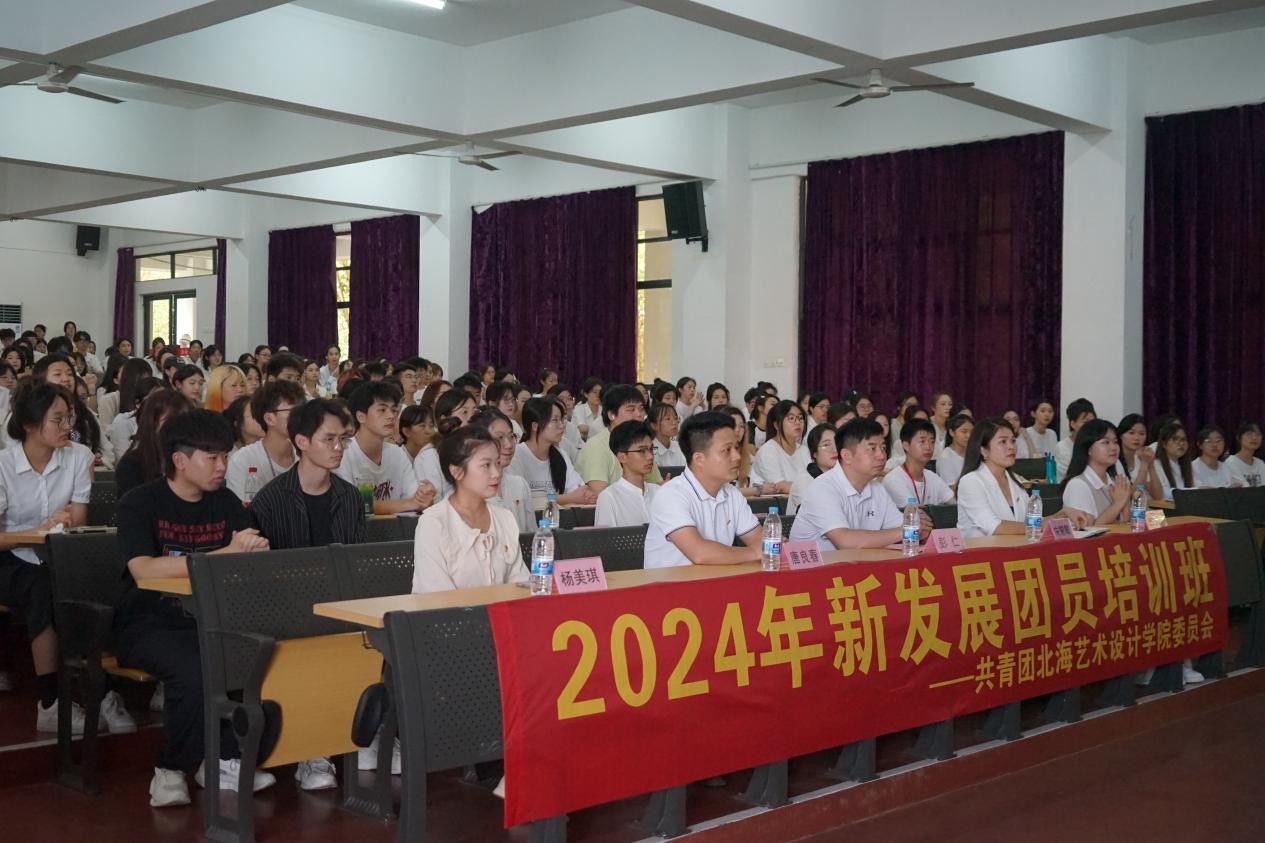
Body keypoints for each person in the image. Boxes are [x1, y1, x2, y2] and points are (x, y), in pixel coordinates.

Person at [114, 410, 276, 806]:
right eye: (212, 458)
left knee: (254, 653)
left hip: (209, 619)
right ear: (180, 460)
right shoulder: (141, 503)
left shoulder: (225, 502)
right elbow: (143, 568)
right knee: (195, 665)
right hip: (148, 622)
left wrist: (254, 550)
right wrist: (225, 553)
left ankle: (222, 758)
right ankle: (170, 769)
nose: (222, 467)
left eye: (225, 456)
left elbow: (246, 554)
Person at [0, 382, 120, 736]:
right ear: (29, 424)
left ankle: (105, 689)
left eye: (70, 417)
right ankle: (51, 703)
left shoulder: (78, 456)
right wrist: (37, 531)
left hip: (59, 555)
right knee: (41, 587)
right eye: (58, 419)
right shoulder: (4, 466)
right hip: (10, 558)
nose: (68, 426)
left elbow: (77, 520)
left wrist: (61, 525)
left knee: (98, 580)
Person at [412, 426, 529, 592]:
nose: (496, 473)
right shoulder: (433, 523)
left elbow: (521, 583)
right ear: (457, 471)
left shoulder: (504, 517)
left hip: (501, 609)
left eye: (497, 463)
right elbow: (436, 596)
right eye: (486, 465)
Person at [789, 418, 930, 551]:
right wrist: (908, 530)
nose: (882, 456)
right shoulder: (822, 488)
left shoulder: (877, 489)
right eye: (872, 449)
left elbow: (903, 528)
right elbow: (846, 542)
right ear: (847, 456)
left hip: (854, 564)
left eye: (883, 447)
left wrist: (920, 528)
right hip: (813, 567)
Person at [643, 412, 763, 568]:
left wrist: (768, 545)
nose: (737, 456)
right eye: (727, 450)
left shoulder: (731, 493)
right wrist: (756, 552)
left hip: (716, 578)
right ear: (699, 459)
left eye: (736, 447)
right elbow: (700, 553)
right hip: (670, 582)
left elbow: (758, 539)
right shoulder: (670, 495)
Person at [251, 398, 365, 556]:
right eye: (329, 439)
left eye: (343, 439)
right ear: (302, 442)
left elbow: (356, 557)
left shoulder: (351, 497)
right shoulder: (269, 500)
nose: (339, 447)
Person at [957, 418, 1089, 538]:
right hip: (979, 554)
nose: (1011, 447)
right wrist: (1042, 524)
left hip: (1013, 550)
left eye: (1013, 441)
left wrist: (1063, 513)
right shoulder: (971, 481)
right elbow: (994, 527)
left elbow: (1032, 521)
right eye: (1003, 442)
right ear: (984, 450)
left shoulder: (1014, 480)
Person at [335, 381, 435, 514]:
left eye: (394, 410)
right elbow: (352, 504)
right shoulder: (342, 453)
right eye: (382, 410)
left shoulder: (397, 454)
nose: (391, 416)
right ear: (361, 416)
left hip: (397, 527)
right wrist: (410, 504)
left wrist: (425, 498)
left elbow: (416, 499)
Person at [508, 397, 596, 509]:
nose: (561, 425)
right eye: (555, 420)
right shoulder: (516, 456)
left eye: (561, 420)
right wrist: (569, 498)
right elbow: (523, 500)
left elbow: (580, 490)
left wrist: (584, 495)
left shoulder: (561, 455)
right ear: (535, 426)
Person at [576, 384, 663, 494]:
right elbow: (600, 494)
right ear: (612, 415)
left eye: (641, 409)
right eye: (631, 410)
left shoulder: (643, 444)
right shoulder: (596, 446)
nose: (639, 414)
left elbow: (656, 484)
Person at [224, 380, 302, 498]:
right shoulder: (243, 460)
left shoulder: (307, 454)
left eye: (303, 410)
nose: (302, 417)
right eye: (294, 412)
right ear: (269, 419)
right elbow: (243, 507)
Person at [116, 391, 195, 497]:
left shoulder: (197, 460)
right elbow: (132, 504)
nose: (179, 428)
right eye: (170, 421)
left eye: (185, 422)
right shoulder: (131, 464)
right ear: (152, 423)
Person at [468, 407, 533, 531]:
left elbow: (532, 535)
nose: (509, 445)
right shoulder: (468, 493)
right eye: (500, 438)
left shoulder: (519, 485)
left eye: (511, 436)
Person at [1061, 419, 1133, 525]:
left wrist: (1125, 502)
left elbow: (1125, 523)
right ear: (1089, 449)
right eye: (1105, 442)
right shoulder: (1078, 485)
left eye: (1115, 442)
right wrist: (1118, 504)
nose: (1113, 447)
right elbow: (1088, 530)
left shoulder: (1115, 482)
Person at [413, 387, 477, 502]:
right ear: (444, 419)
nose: (471, 418)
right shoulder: (430, 456)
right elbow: (434, 502)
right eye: (464, 412)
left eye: (474, 412)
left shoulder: (476, 450)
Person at [594, 421, 659, 528]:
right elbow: (606, 538)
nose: (650, 456)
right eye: (642, 451)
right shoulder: (609, 497)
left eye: (651, 449)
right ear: (622, 457)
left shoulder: (659, 492)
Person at [882, 418, 955, 508]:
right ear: (906, 445)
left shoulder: (932, 477)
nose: (928, 447)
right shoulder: (893, 479)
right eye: (922, 441)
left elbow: (954, 504)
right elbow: (913, 511)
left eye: (932, 442)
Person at [751, 399, 807, 493]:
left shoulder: (803, 449)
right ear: (777, 425)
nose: (798, 422)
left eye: (800, 418)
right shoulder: (768, 451)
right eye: (791, 418)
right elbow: (780, 486)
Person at [787, 424, 837, 516]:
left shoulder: (843, 478)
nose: (834, 450)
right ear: (814, 453)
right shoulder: (804, 481)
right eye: (826, 445)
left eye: (837, 443)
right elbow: (817, 515)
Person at [1116, 413, 1162, 500]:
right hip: (1129, 507)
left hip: (1144, 507)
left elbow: (1158, 496)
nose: (1137, 438)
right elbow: (1133, 496)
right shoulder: (1115, 461)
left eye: (1142, 434)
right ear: (1121, 435)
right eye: (1131, 433)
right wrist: (1144, 464)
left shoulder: (1140, 457)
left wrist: (1151, 466)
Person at [1055, 398, 1096, 481]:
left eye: (1093, 422)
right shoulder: (1062, 447)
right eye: (1085, 422)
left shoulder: (1097, 444)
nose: (1090, 426)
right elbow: (1072, 475)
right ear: (1073, 424)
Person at [1154, 422, 1195, 501]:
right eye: (1175, 439)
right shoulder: (1156, 464)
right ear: (1164, 444)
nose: (1181, 443)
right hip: (1160, 508)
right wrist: (1196, 490)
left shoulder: (1187, 466)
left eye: (1183, 439)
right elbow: (1164, 493)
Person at [935, 413, 974, 487]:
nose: (968, 436)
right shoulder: (946, 457)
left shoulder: (974, 453)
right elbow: (950, 488)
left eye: (971, 432)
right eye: (964, 431)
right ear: (951, 432)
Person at [1226, 422, 1264, 487]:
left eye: (1258, 434)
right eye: (1249, 434)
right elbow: (1244, 489)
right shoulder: (1231, 462)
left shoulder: (1260, 463)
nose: (1254, 438)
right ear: (1239, 438)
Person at [649, 402, 685, 468]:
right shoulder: (649, 450)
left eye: (675, 418)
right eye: (668, 419)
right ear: (654, 425)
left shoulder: (679, 446)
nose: (674, 422)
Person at [928, 391, 953, 456]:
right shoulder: (927, 424)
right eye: (943, 404)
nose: (947, 407)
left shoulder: (952, 426)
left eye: (950, 404)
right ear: (933, 407)